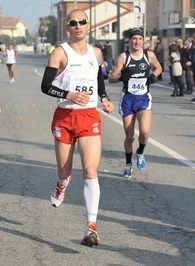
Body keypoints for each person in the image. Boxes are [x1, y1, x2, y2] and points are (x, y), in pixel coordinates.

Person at [40, 9, 114, 247]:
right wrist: (68, 94)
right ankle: (62, 185)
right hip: (64, 116)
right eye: (73, 23)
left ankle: (91, 226)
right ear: (68, 28)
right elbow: (45, 85)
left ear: (88, 25)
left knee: (90, 170)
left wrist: (104, 97)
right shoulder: (60, 53)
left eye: (82, 22)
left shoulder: (96, 52)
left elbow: (97, 77)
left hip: (89, 116)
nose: (78, 26)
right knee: (64, 170)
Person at [108, 28, 162, 178]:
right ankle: (128, 164)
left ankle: (141, 151)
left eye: (139, 39)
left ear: (143, 40)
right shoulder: (123, 57)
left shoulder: (149, 55)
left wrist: (154, 75)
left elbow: (159, 67)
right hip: (128, 99)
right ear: (130, 41)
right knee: (130, 136)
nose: (137, 41)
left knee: (144, 132)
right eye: (134, 39)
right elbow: (111, 78)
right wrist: (120, 78)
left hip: (144, 98)